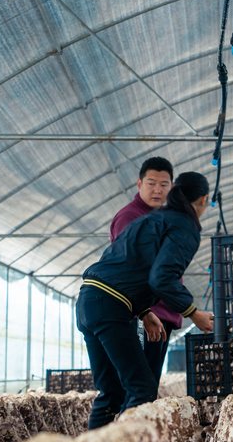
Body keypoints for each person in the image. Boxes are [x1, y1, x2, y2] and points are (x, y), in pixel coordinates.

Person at [77, 172, 214, 429]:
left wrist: (144, 311)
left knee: (112, 393)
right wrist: (193, 312)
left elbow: (127, 266)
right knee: (142, 389)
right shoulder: (185, 225)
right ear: (204, 200)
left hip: (89, 300)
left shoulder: (154, 218)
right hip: (111, 306)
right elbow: (162, 278)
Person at [110, 156, 180, 388]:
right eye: (151, 183)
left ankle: (140, 422)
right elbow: (129, 270)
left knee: (148, 384)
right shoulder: (129, 218)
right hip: (147, 316)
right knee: (140, 387)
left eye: (164, 184)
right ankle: (132, 424)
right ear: (139, 185)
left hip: (163, 314)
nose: (157, 190)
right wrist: (144, 312)